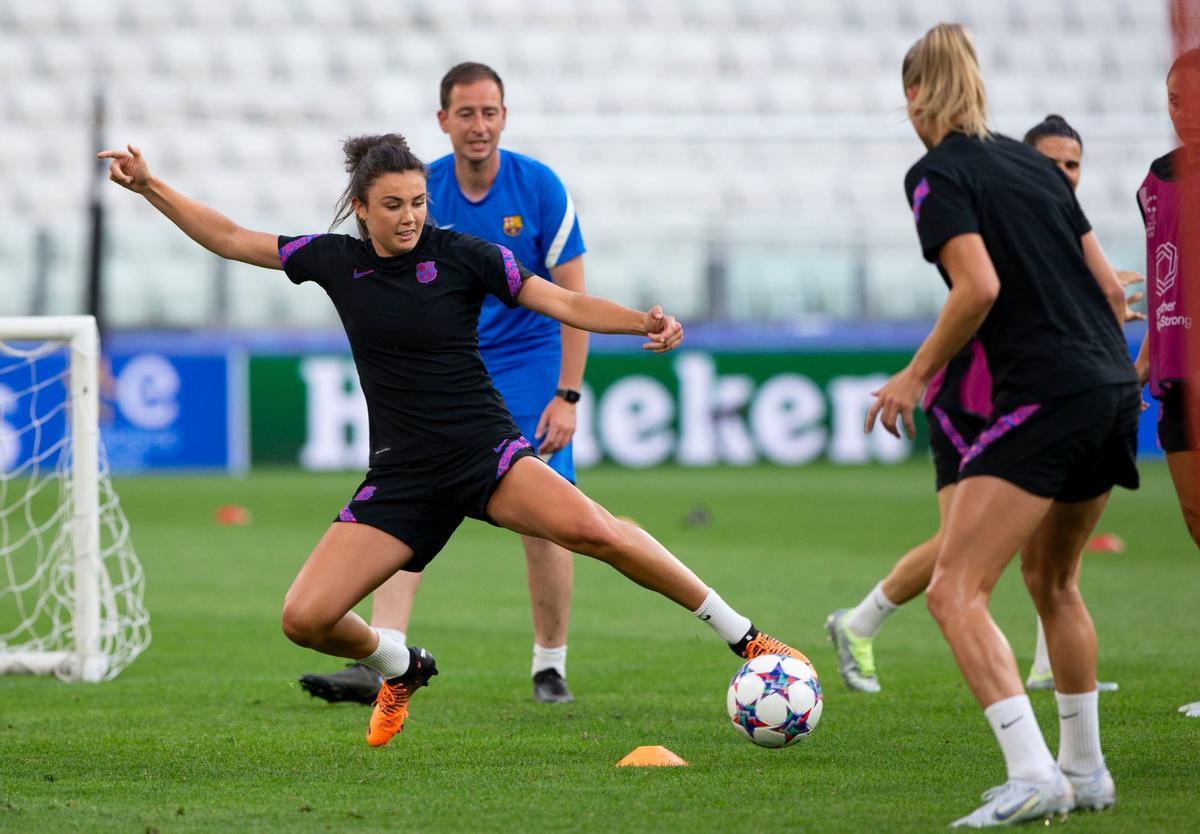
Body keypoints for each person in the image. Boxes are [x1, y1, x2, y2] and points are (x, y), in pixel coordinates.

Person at [98, 133, 808, 749]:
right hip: (402, 476)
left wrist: (641, 321)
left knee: (597, 531)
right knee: (304, 618)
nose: (410, 217)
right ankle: (401, 667)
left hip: (484, 454)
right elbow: (229, 238)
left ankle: (746, 637)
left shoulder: (464, 255)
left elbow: (559, 300)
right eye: (394, 205)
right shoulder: (333, 260)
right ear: (361, 208)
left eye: (418, 202)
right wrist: (150, 184)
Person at [867, 24, 1139, 826]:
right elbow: (1110, 291)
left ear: (916, 94)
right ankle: (1086, 772)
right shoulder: (1035, 165)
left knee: (955, 590)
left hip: (1046, 392)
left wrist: (916, 374)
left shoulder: (936, 173)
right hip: (1109, 386)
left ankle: (1035, 774)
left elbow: (977, 286)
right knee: (1054, 583)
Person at [299, 62, 587, 706]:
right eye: (466, 113)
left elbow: (572, 296)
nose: (478, 125)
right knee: (415, 495)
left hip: (532, 360)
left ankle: (549, 664)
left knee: (547, 519)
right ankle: (385, 652)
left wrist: (567, 394)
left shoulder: (539, 186)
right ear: (444, 121)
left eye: (489, 112)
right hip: (454, 360)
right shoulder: (419, 186)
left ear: (504, 117)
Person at [826, 113, 1138, 697]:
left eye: (1073, 165)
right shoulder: (992, 210)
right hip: (970, 398)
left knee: (1043, 545)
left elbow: (1095, 294)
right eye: (1052, 163)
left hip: (1040, 399)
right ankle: (857, 621)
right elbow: (984, 292)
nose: (1064, 174)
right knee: (965, 548)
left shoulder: (1048, 224)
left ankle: (1049, 669)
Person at [1134, 47, 1200, 719]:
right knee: (1195, 522)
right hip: (1177, 380)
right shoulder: (1154, 183)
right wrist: (1145, 363)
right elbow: (1163, 281)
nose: (1184, 110)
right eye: (1175, 99)